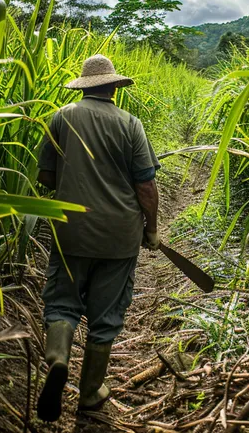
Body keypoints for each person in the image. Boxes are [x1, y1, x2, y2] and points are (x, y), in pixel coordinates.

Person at [35, 54, 161, 422]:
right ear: (113, 87)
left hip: (71, 231)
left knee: (62, 302)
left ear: (85, 85)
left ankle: (58, 358)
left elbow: (46, 177)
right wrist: (151, 229)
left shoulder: (62, 117)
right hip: (119, 237)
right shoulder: (130, 124)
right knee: (106, 316)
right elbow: (146, 186)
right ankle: (90, 393)